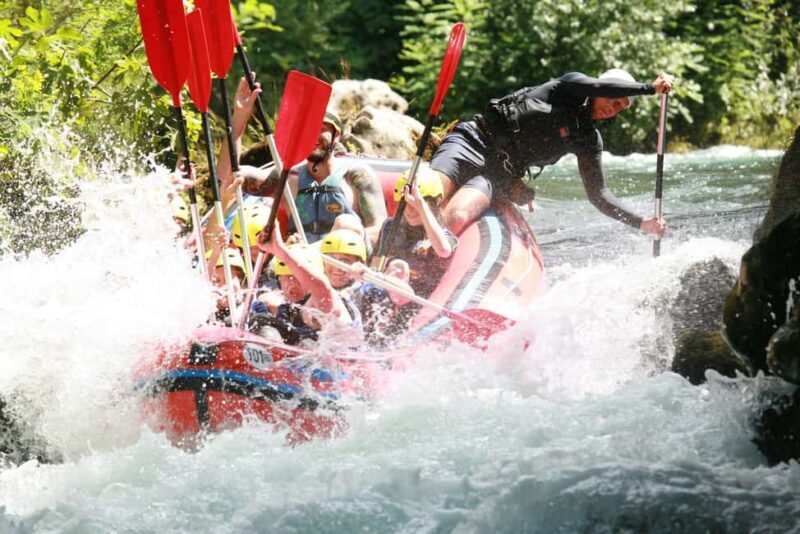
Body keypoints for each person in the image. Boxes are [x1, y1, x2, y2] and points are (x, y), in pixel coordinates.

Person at [429, 68, 675, 235]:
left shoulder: (588, 139)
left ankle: (425, 257)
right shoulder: (569, 87)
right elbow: (601, 84)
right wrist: (649, 89)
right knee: (427, 193)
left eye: (622, 107)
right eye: (615, 98)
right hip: (472, 141)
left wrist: (641, 223)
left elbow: (598, 194)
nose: (615, 108)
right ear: (601, 90)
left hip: (495, 175)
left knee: (458, 216)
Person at [221, 77, 388, 247]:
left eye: (321, 129)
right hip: (296, 264)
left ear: (336, 136)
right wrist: (239, 118)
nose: (314, 136)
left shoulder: (356, 175)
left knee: (346, 222)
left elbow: (379, 232)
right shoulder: (286, 176)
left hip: (341, 266)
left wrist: (323, 246)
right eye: (309, 130)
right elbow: (228, 175)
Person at [258, 222, 362, 339]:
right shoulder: (288, 310)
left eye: (298, 278)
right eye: (287, 278)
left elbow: (321, 289)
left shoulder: (326, 300)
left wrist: (279, 250)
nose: (293, 283)